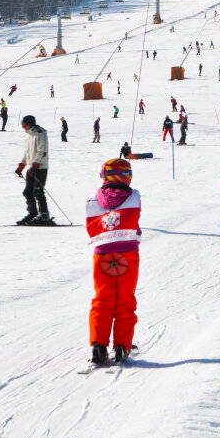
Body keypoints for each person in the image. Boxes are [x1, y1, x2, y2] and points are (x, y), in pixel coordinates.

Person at [85, 157, 141, 366]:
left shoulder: (93, 199)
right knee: (125, 298)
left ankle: (98, 345)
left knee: (102, 298)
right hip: (127, 252)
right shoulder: (133, 196)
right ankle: (122, 346)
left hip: (102, 255)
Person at [15, 115, 52, 225]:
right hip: (31, 168)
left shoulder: (41, 134)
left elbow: (42, 151)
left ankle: (44, 215)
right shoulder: (29, 136)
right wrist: (21, 165)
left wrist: (36, 165)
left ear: (30, 124)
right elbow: (27, 153)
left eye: (24, 125)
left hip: (40, 168)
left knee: (38, 191)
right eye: (22, 125)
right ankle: (33, 213)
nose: (23, 128)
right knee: (27, 192)